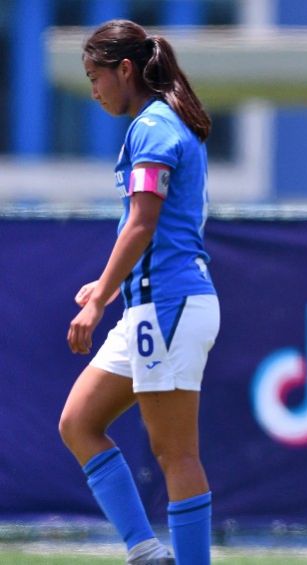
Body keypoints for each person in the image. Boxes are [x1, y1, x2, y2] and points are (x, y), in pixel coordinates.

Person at [59, 19, 217, 565]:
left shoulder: (153, 126)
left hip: (169, 304)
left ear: (124, 69)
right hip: (153, 304)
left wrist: (102, 296)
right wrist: (112, 285)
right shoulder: (162, 122)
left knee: (176, 453)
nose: (93, 90)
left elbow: (142, 223)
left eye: (94, 76)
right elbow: (150, 226)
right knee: (78, 422)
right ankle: (147, 553)